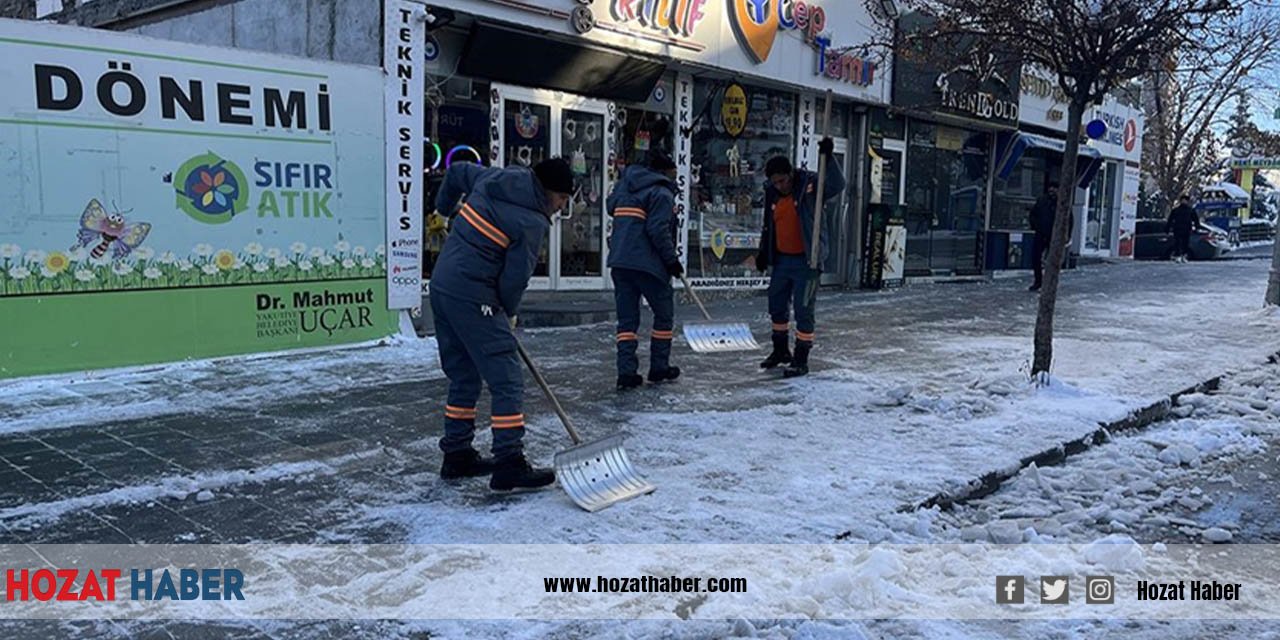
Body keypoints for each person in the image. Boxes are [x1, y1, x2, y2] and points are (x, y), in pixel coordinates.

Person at [431, 157, 575, 492]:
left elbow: (455, 172)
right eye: (562, 200)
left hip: (441, 286)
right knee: (506, 378)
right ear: (549, 191)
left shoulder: (493, 178)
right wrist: (507, 312)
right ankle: (509, 462)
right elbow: (514, 279)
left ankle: (457, 454)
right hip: (473, 294)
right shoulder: (531, 221)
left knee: (464, 373)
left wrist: (442, 210)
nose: (560, 208)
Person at [755, 137, 846, 378]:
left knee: (803, 309)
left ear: (790, 174)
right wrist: (764, 252)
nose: (779, 186)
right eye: (774, 182)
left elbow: (837, 184)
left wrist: (830, 158)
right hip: (782, 260)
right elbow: (769, 226)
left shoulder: (810, 185)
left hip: (807, 260)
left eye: (782, 181)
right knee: (776, 305)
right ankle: (780, 350)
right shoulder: (772, 194)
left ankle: (801, 358)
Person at [606, 147, 682, 391]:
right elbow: (658, 230)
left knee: (627, 322)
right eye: (673, 173)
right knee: (663, 313)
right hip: (648, 264)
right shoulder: (661, 193)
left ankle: (626, 372)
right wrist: (671, 261)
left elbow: (610, 207)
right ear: (663, 172)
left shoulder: (623, 187)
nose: (674, 178)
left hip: (620, 261)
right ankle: (659, 367)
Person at [1028, 182, 1060, 292]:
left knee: (1052, 260)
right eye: (1050, 188)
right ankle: (1038, 281)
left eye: (1054, 188)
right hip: (1041, 233)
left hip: (1054, 235)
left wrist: (1065, 234)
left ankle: (1049, 282)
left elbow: (1068, 219)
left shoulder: (1062, 203)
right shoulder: (1042, 201)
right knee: (1036, 258)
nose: (1052, 190)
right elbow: (1033, 214)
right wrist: (1036, 226)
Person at [1167, 194, 1200, 263]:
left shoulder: (1190, 210)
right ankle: (1178, 256)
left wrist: (1197, 227)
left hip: (1187, 229)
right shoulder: (1176, 210)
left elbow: (1196, 219)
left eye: (1185, 200)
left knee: (1185, 243)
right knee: (1177, 243)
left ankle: (1184, 256)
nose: (1184, 202)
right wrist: (1167, 228)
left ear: (1187, 201)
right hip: (1177, 229)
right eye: (1183, 200)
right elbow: (1170, 220)